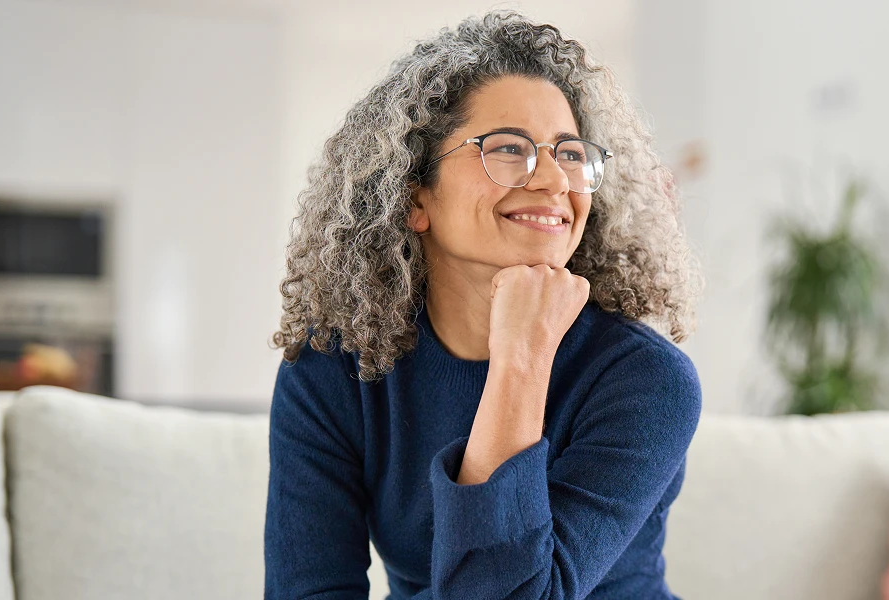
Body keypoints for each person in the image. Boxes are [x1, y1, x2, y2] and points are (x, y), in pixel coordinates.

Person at [264, 9, 703, 599]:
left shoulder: (647, 379)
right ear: (413, 196)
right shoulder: (332, 367)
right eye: (508, 148)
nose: (554, 180)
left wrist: (521, 360)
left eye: (571, 153)